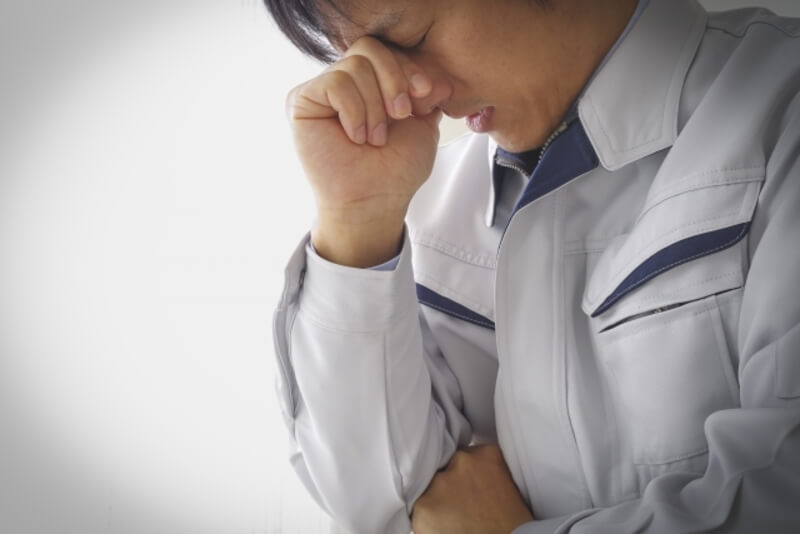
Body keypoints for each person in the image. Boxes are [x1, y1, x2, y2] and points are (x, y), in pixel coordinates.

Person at [267, 0, 800, 532]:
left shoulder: (782, 108)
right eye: (366, 57)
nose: (408, 90)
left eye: (409, 40)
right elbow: (375, 506)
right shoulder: (423, 212)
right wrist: (356, 221)